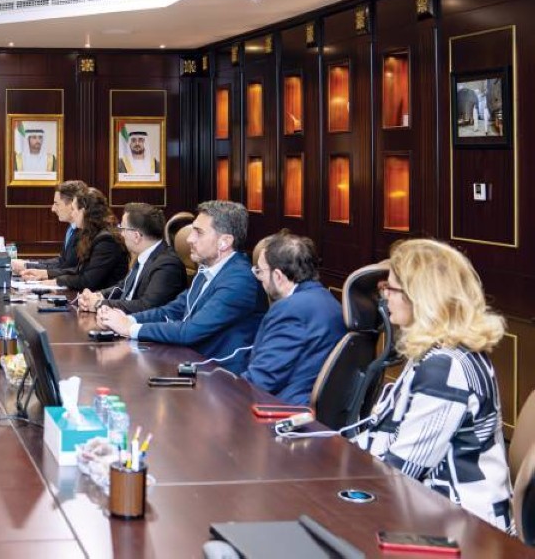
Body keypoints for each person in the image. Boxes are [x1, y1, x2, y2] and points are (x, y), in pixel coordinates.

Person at [356, 239, 513, 532]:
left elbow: (401, 472)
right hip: (439, 512)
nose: (385, 296)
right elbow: (387, 433)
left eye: (390, 288)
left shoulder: (444, 368)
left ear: (420, 297)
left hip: (464, 529)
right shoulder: (442, 351)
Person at [96, 200, 266, 370]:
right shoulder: (208, 270)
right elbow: (172, 311)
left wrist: (130, 328)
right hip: (194, 364)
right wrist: (128, 319)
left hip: (222, 375)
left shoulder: (239, 280)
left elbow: (190, 331)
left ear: (225, 241)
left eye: (198, 233)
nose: (189, 239)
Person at [240, 231, 345, 405]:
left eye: (260, 271)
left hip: (283, 409)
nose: (259, 279)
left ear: (278, 276)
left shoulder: (290, 310)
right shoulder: (330, 301)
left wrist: (226, 391)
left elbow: (261, 379)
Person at [79, 203, 185, 313]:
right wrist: (97, 296)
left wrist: (99, 304)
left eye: (123, 229)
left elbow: (146, 306)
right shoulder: (144, 255)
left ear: (136, 236)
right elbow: (123, 287)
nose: (122, 234)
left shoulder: (167, 266)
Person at [31, 187, 128, 292]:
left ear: (83, 212)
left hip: (103, 299)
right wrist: (48, 274)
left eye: (73, 209)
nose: (72, 214)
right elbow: (78, 270)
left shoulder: (107, 240)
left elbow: (88, 280)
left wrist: (57, 281)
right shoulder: (91, 234)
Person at [11, 180, 87, 278]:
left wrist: (28, 266)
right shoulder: (71, 228)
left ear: (72, 204)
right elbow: (61, 261)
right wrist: (28, 263)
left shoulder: (85, 231)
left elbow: (70, 267)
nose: (53, 209)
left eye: (56, 204)